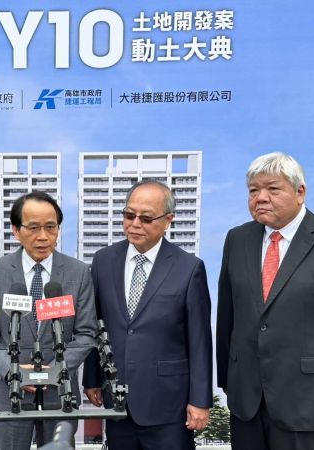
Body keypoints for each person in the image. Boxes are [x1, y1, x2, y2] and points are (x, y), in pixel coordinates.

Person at [83, 180, 212, 450]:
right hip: (117, 401)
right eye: (129, 215)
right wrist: (92, 379)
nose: (135, 224)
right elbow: (96, 324)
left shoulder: (189, 268)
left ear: (168, 220)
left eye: (146, 218)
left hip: (169, 404)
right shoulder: (103, 261)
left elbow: (200, 340)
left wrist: (200, 400)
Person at [0, 191, 97, 450]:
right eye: (33, 228)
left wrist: (54, 371)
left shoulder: (78, 272)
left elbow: (87, 333)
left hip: (60, 393)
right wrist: (12, 370)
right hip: (11, 394)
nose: (43, 236)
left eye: (50, 227)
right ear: (16, 230)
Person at [216, 152, 314, 450]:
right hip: (246, 399)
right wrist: (227, 379)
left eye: (273, 189)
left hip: (304, 400)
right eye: (253, 190)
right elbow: (227, 315)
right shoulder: (237, 239)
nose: (260, 198)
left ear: (300, 192)